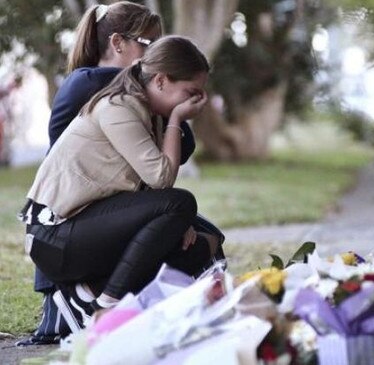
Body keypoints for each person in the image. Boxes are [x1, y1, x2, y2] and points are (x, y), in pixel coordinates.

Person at [18, 3, 223, 345]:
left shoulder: (147, 108)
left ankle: (94, 296)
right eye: (190, 94)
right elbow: (161, 179)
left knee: (200, 243)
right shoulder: (118, 106)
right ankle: (103, 307)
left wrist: (178, 227)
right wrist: (176, 120)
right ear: (160, 80)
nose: (194, 105)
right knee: (180, 202)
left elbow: (145, 188)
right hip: (54, 236)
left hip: (89, 223)